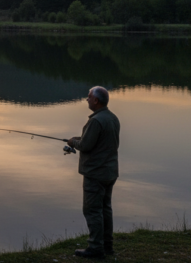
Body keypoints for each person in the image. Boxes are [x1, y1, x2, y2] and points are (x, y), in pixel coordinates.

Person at [66, 86, 120, 259]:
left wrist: (73, 142)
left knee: (92, 210)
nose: (87, 99)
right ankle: (108, 246)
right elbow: (98, 142)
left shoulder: (95, 121)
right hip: (109, 172)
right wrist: (78, 140)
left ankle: (96, 248)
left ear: (96, 100)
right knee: (105, 209)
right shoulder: (112, 118)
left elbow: (86, 145)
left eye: (89, 97)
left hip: (95, 174)